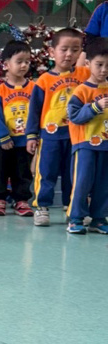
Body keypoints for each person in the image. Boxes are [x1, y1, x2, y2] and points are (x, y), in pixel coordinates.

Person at [25, 27, 88, 226]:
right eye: (64, 49)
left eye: (75, 50)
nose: (69, 54)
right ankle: (42, 207)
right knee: (46, 172)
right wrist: (31, 135)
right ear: (52, 52)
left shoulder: (85, 75)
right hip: (50, 135)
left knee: (73, 174)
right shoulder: (43, 80)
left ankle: (72, 208)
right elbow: (34, 110)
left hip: (77, 136)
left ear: (81, 52)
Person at [64, 38, 108, 235]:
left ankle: (99, 219)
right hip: (85, 146)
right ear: (88, 63)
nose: (104, 70)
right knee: (82, 183)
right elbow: (74, 116)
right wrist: (94, 107)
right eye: (99, 65)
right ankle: (75, 218)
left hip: (106, 145)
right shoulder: (81, 91)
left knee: (104, 184)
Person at [0, 41, 34, 216]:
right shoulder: (0, 91)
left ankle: (21, 200)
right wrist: (3, 136)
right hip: (4, 141)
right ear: (7, 64)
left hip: (25, 141)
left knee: (23, 172)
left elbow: (38, 113)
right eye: (19, 61)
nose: (24, 65)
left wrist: (33, 136)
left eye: (27, 61)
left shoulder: (34, 89)